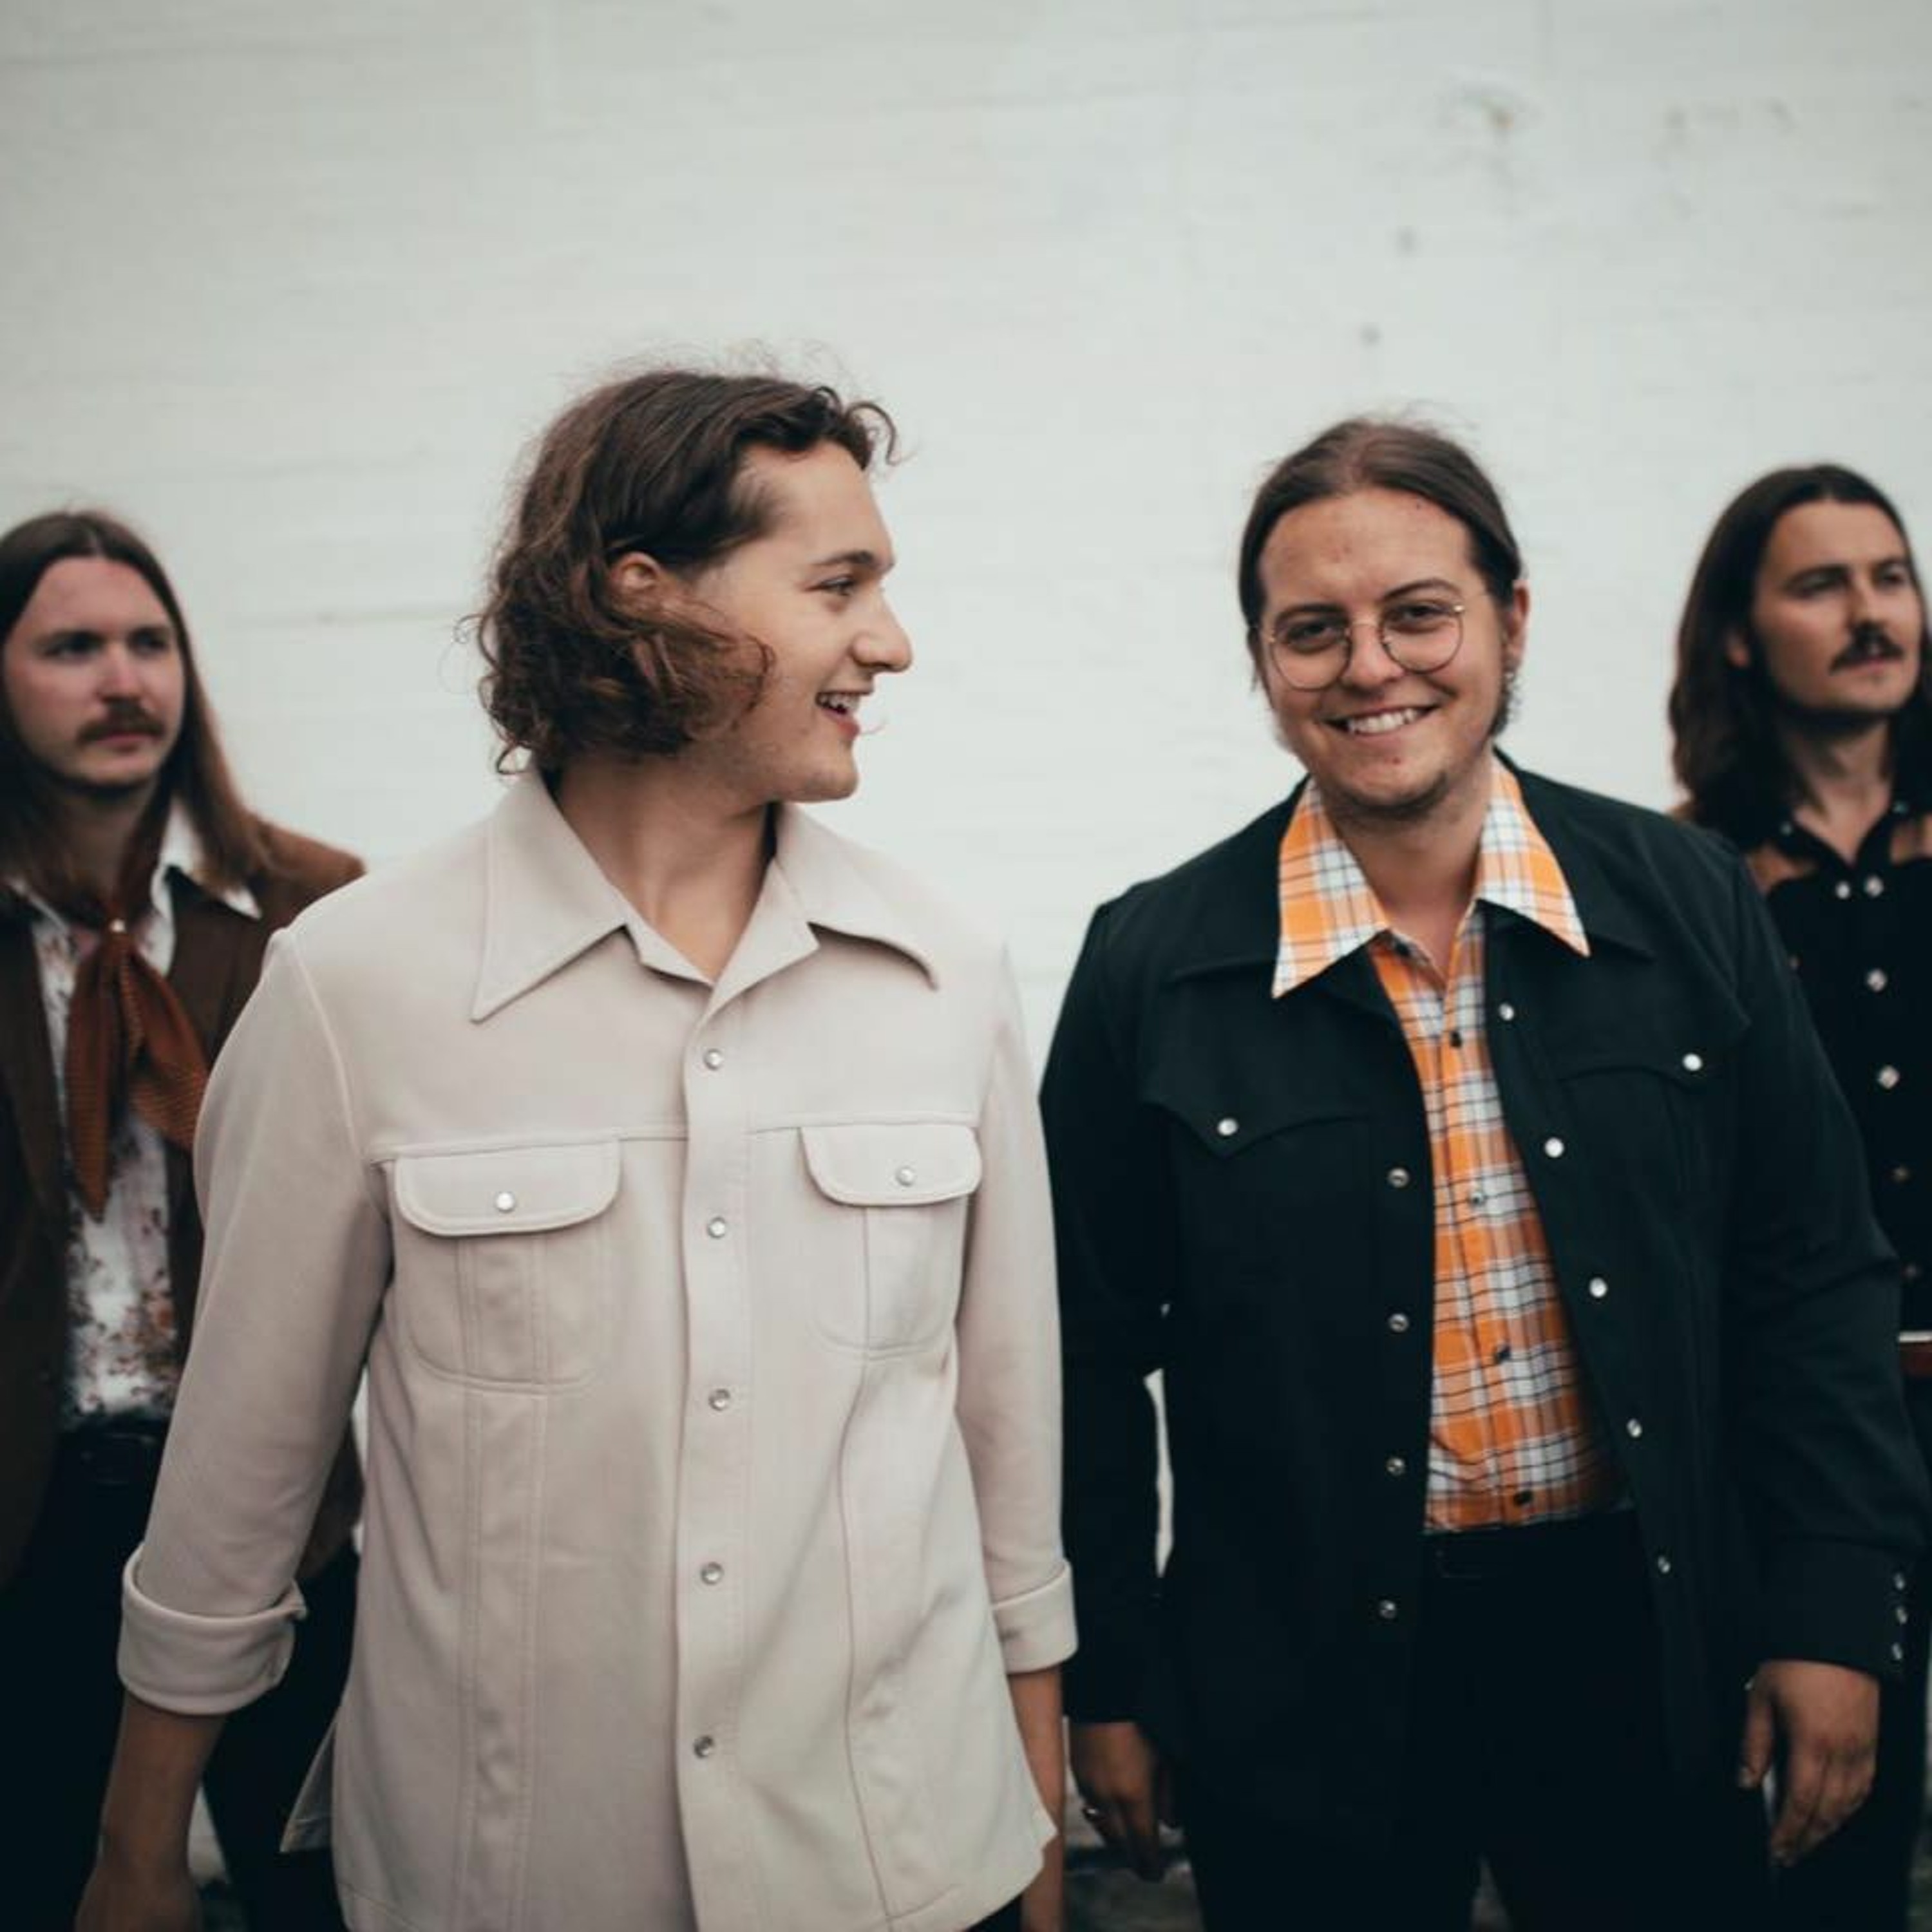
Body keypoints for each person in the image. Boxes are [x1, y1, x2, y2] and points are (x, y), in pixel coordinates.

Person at [77, 369, 1072, 1932]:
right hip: (505, 1879)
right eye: (838, 586)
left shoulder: (947, 975)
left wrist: (1033, 1828)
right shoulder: (354, 988)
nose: (889, 643)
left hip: (903, 1868)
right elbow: (242, 1477)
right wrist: (138, 1854)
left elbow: (1008, 1451)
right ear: (643, 595)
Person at [1041, 419, 1929, 1930]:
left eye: (1419, 614)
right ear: (1262, 661)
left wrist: (1837, 1610)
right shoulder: (1152, 963)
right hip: (1305, 1676)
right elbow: (1081, 1351)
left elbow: (1811, 1276)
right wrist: (1111, 1675)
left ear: (1510, 621)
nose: (1369, 667)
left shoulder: (1689, 900)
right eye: (1311, 631)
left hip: (1651, 1647)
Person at [0, 509, 360, 1931]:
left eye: (150, 644)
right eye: (70, 648)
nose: (122, 681)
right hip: (28, 1513)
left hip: (279, 1513)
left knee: (321, 1886)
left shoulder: (307, 909)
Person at [1671, 462, 1932, 1930]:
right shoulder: (1692, 879)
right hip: (1809, 1429)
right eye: (1822, 585)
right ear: (1739, 631)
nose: (1870, 613)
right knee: (1832, 1834)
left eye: (1890, 577)